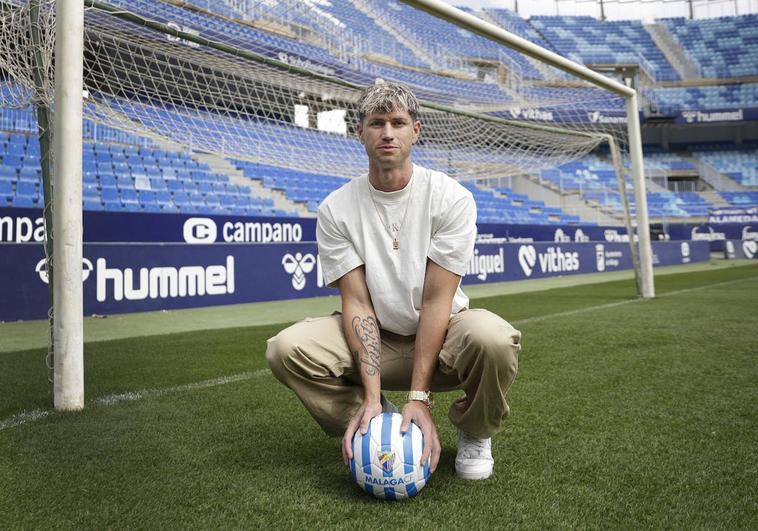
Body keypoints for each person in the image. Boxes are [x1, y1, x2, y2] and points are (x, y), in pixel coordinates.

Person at [265, 82, 521, 480]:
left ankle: (475, 430)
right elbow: (359, 304)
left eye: (398, 122)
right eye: (377, 123)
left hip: (443, 337)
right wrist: (369, 393)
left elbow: (437, 301)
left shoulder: (451, 198)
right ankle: (375, 420)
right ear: (360, 132)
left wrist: (419, 397)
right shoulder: (336, 209)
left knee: (494, 339)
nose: (388, 132)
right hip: (377, 338)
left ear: (415, 131)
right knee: (286, 348)